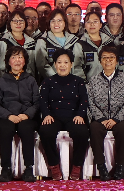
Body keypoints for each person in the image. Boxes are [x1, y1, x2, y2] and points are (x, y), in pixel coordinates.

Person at [37, 49, 89, 181]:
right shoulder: (47, 82)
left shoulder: (79, 81)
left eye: (66, 62)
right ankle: (54, 165)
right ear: (55, 64)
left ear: (71, 64)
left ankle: (77, 166)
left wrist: (80, 115)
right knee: (45, 131)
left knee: (82, 132)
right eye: (59, 62)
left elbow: (84, 100)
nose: (62, 65)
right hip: (54, 116)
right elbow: (42, 100)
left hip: (73, 116)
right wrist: (46, 114)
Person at [0, 46, 40, 181]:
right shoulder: (1, 81)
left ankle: (29, 169)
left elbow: (37, 102)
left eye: (20, 57)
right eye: (13, 57)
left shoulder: (31, 80)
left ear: (25, 61)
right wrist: (8, 115)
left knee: (26, 128)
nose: (17, 60)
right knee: (6, 129)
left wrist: (27, 114)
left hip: (26, 117)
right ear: (8, 62)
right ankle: (6, 169)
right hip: (8, 116)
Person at [87, 45, 124, 180]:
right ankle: (101, 167)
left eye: (111, 57)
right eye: (104, 58)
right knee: (94, 128)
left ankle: (120, 166)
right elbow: (90, 103)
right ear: (100, 61)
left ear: (117, 60)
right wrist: (101, 119)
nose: (108, 60)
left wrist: (116, 119)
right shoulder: (94, 80)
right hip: (100, 119)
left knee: (122, 129)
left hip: (119, 119)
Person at [36, 10, 83, 78]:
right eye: (53, 21)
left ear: (65, 22)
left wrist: (76, 80)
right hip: (51, 81)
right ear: (49, 23)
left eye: (59, 20)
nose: (56, 24)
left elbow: (78, 64)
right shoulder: (43, 41)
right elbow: (42, 65)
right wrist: (57, 79)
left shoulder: (74, 40)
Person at [0, 10, 37, 79]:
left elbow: (33, 65)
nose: (18, 23)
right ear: (10, 23)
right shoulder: (3, 42)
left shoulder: (31, 42)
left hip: (28, 80)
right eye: (15, 21)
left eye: (21, 21)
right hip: (9, 80)